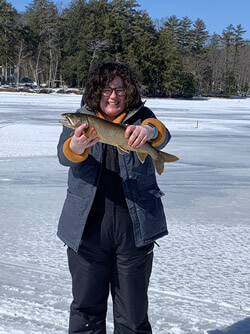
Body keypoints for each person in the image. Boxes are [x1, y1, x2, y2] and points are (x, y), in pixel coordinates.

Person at [57, 61, 171, 333]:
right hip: (86, 230)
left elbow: (161, 133)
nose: (113, 95)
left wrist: (150, 131)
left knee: (132, 315)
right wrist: (75, 146)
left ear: (129, 92)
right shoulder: (81, 120)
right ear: (96, 91)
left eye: (120, 90)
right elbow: (64, 156)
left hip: (134, 231)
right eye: (107, 89)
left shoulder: (141, 117)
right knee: (86, 311)